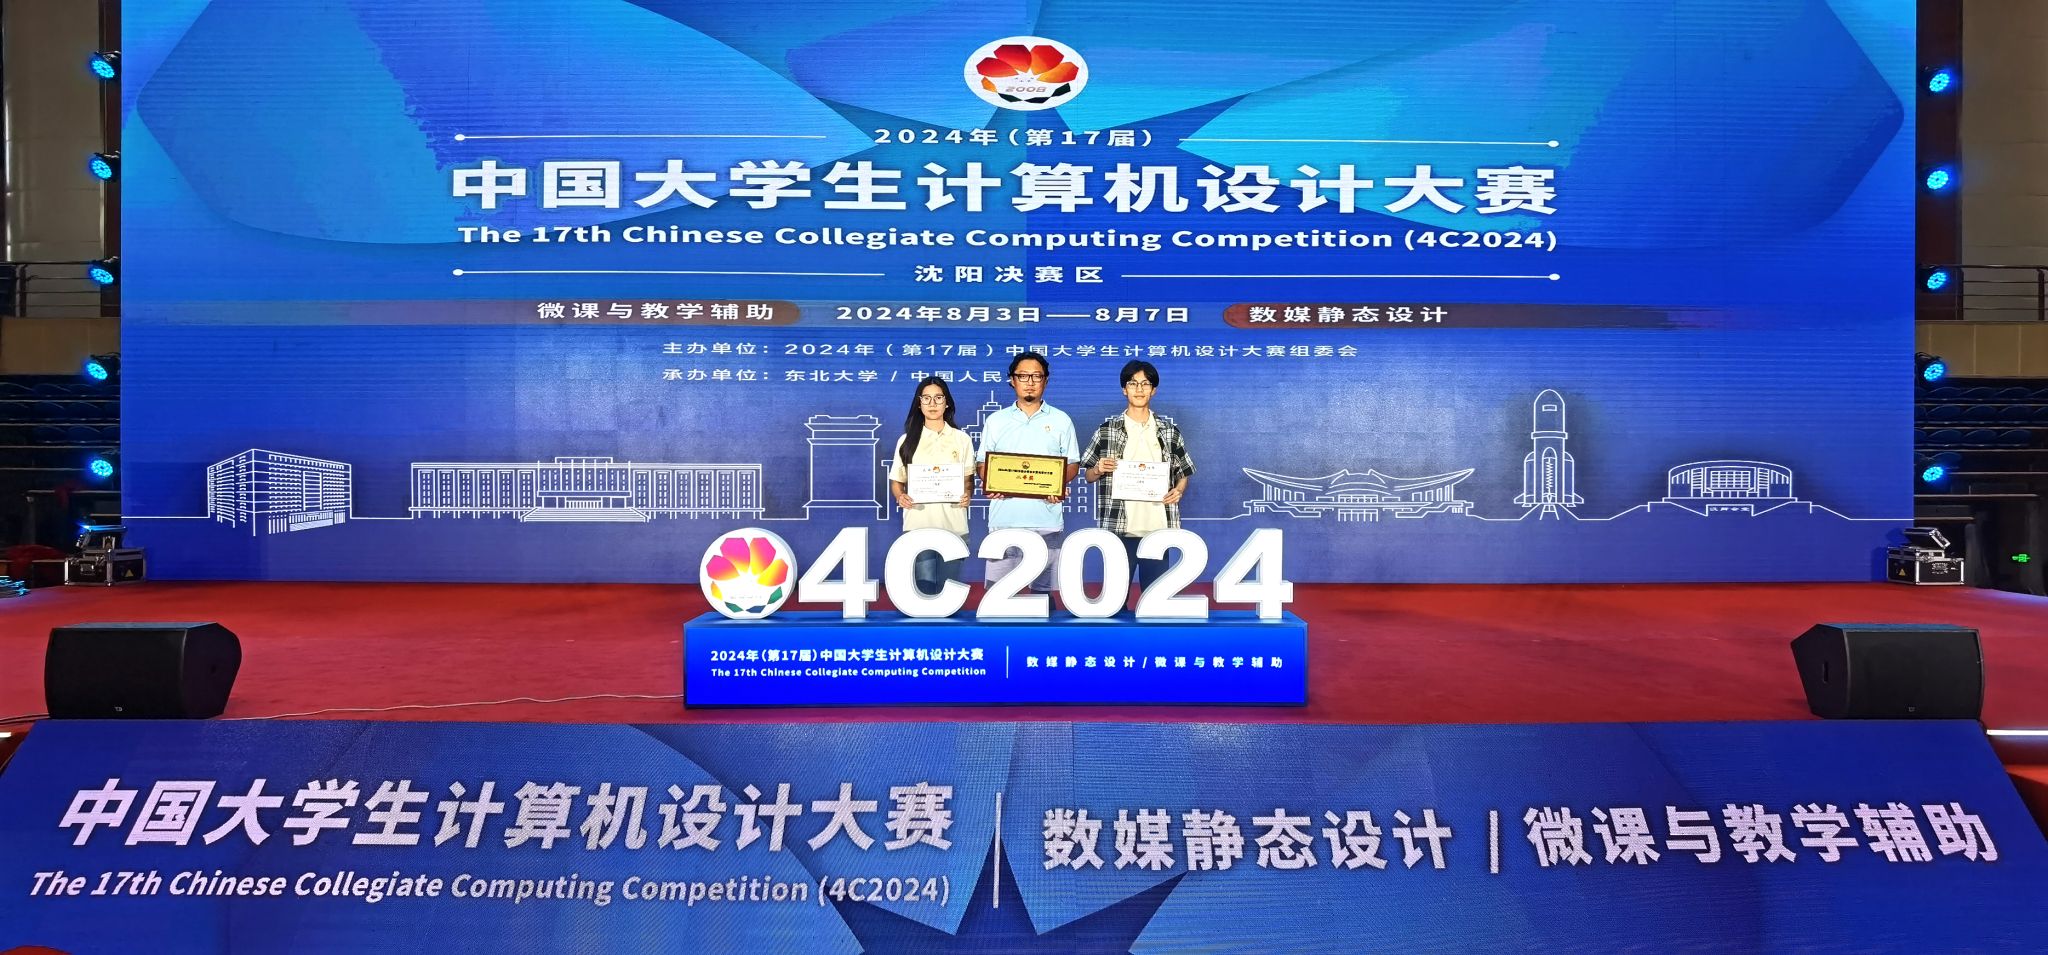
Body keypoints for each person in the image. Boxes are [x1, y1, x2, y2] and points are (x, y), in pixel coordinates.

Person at [1081, 360, 1194, 599]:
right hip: (1119, 527)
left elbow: (1183, 473)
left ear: (1154, 390)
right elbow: (1088, 475)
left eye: (1145, 384)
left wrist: (1179, 490)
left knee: (1154, 601)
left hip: (1157, 528)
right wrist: (1098, 468)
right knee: (1114, 601)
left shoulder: (1169, 431)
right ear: (1124, 389)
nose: (1139, 389)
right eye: (1133, 383)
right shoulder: (1106, 430)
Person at [976, 352, 1078, 595]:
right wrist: (991, 481)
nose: (1030, 382)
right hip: (1004, 520)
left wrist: (1055, 485)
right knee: (998, 596)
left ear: (1046, 380)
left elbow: (1072, 464)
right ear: (1012, 380)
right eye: (1023, 376)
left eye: (1036, 376)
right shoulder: (996, 420)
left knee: (1043, 596)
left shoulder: (1061, 420)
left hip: (1046, 521)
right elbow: (982, 464)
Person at [887, 376, 974, 596]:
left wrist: (967, 494)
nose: (932, 403)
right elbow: (897, 481)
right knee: (923, 591)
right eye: (926, 398)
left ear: (947, 403)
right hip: (918, 525)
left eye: (938, 398)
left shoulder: (962, 439)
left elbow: (968, 480)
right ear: (919, 404)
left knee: (949, 591)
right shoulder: (906, 440)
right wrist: (900, 496)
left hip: (954, 525)